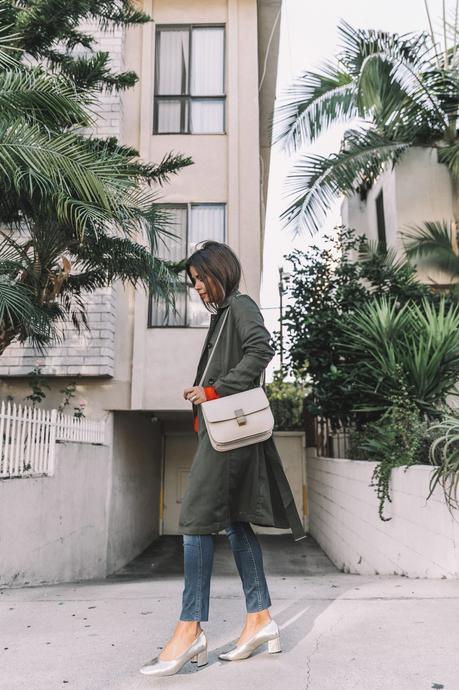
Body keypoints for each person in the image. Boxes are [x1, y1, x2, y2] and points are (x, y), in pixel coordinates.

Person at [140, 240, 306, 677]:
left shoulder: (242, 307)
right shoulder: (222, 317)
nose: (196, 288)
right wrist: (203, 393)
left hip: (228, 440)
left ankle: (190, 628)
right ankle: (260, 620)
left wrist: (214, 390)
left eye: (200, 279)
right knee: (234, 524)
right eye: (192, 282)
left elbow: (261, 350)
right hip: (220, 436)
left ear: (220, 272)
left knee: (194, 520)